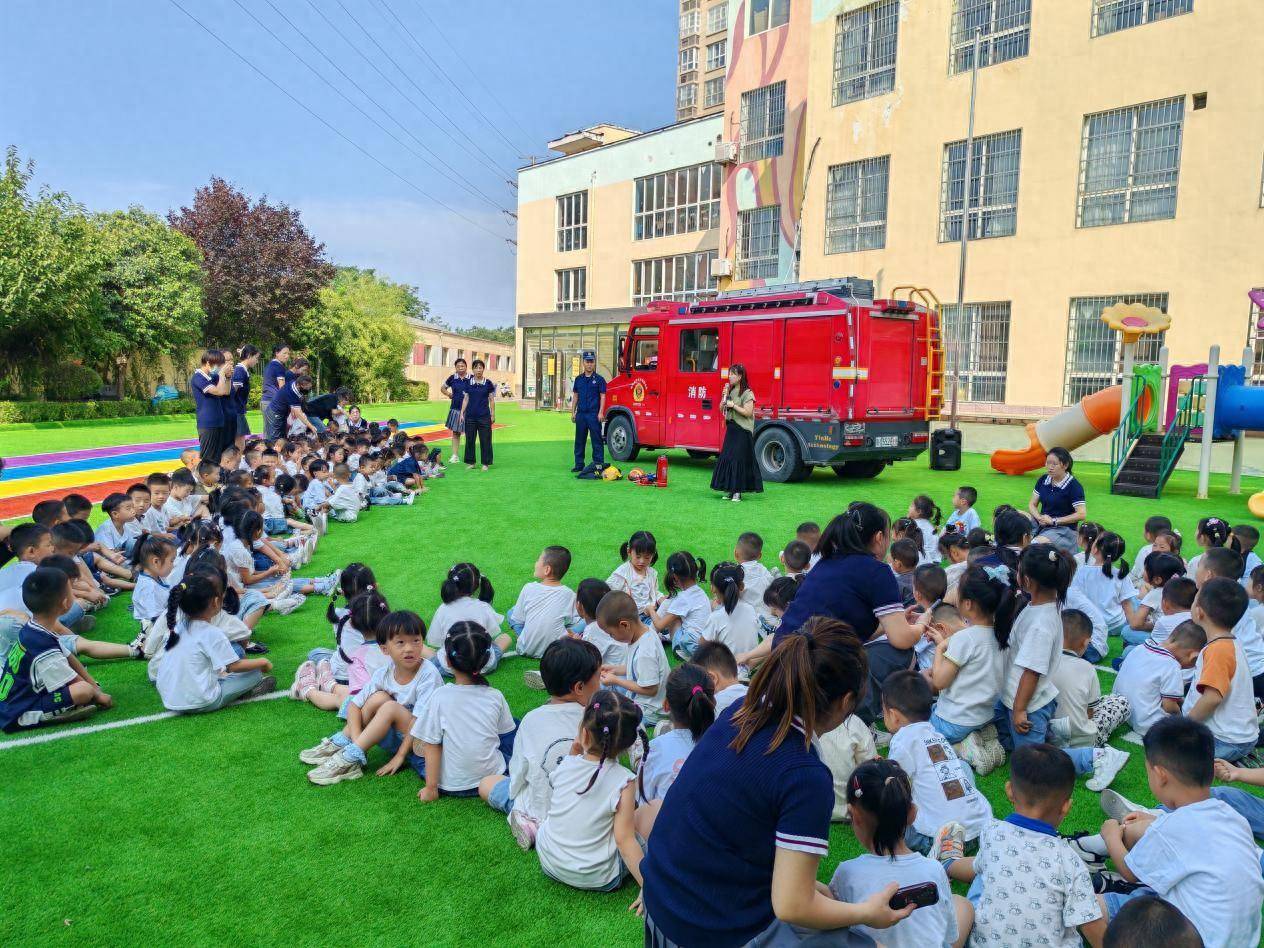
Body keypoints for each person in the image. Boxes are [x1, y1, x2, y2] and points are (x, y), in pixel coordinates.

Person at [641, 617, 915, 946]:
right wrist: (866, 912)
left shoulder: (739, 713)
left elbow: (740, 828)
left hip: (662, 909)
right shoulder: (804, 775)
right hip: (707, 929)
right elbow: (791, 905)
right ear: (846, 702)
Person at [743, 503, 925, 725]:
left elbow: (849, 630)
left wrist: (896, 622)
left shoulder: (825, 563)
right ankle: (854, 721)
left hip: (784, 671)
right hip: (817, 677)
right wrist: (922, 625)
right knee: (902, 654)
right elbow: (901, 639)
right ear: (879, 537)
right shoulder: (878, 572)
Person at [1095, 716, 1264, 948]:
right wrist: (1158, 821)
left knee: (1092, 907)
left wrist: (1110, 835)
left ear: (1161, 775)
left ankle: (1092, 852)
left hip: (1191, 939)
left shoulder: (1172, 829)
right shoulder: (1231, 815)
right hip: (1243, 940)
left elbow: (1130, 871)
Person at [940, 744, 1106, 947]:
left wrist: (949, 866)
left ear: (1009, 791)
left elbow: (978, 867)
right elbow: (1092, 928)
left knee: (986, 874)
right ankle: (949, 862)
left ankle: (947, 862)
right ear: (1066, 807)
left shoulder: (993, 832)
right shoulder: (1070, 861)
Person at [827, 758, 972, 948]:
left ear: (854, 815)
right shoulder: (933, 870)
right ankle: (947, 861)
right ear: (912, 813)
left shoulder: (846, 873)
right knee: (962, 904)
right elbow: (949, 936)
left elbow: (834, 919)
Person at [481, 637, 601, 850]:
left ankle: (528, 822)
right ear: (580, 687)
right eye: (598, 678)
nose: (600, 684)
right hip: (587, 814)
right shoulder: (600, 719)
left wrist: (516, 795)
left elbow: (517, 774)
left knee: (487, 783)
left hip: (540, 808)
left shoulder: (530, 719)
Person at [303, 610, 442, 786]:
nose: (409, 648)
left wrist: (399, 756)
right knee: (378, 697)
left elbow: (419, 721)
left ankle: (350, 756)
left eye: (416, 641)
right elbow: (354, 705)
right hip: (401, 732)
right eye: (400, 642)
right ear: (384, 649)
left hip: (424, 741)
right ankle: (349, 747)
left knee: (389, 707)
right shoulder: (384, 673)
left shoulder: (428, 674)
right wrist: (357, 738)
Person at [882, 671, 992, 879]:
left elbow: (895, 785)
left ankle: (946, 856)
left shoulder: (903, 740)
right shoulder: (936, 735)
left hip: (938, 834)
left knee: (894, 818)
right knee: (960, 767)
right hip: (979, 827)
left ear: (894, 716)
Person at [534, 689, 644, 892]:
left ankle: (531, 825)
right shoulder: (624, 780)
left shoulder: (567, 764)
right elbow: (624, 840)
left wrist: (574, 753)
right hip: (598, 877)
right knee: (647, 814)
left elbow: (564, 787)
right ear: (627, 744)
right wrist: (648, 887)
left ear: (584, 733)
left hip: (549, 862)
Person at [0, 567, 114, 732]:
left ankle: (66, 705)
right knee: (83, 691)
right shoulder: (41, 643)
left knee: (87, 687)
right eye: (71, 592)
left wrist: (95, 686)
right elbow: (72, 679)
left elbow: (69, 657)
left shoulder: (34, 628)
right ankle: (47, 716)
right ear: (66, 603)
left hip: (18, 699)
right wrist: (96, 694)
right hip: (18, 712)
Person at [414, 622, 518, 801]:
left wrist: (431, 788)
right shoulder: (495, 696)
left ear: (447, 660)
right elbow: (506, 736)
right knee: (513, 726)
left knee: (417, 753)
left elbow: (432, 744)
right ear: (486, 659)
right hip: (494, 776)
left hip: (451, 785)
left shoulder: (440, 696)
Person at [927, 564, 1014, 773]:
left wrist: (940, 648)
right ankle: (980, 737)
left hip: (953, 719)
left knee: (925, 741)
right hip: (983, 715)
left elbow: (939, 682)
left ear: (967, 603)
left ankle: (961, 749)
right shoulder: (1003, 636)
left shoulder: (964, 639)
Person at [155, 574, 275, 713]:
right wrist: (263, 662)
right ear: (216, 602)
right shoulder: (212, 632)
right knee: (255, 673)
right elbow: (234, 667)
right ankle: (243, 692)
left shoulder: (177, 627)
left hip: (169, 701)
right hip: (202, 701)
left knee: (219, 672)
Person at [635, 663, 716, 837]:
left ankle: (637, 754)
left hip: (667, 845)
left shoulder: (655, 750)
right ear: (712, 702)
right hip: (716, 842)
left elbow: (644, 802)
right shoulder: (729, 743)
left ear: (666, 705)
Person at [1182, 577, 1257, 762]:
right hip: (1235, 736)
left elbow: (1212, 698)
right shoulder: (1229, 641)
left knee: (1169, 745)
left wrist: (1184, 726)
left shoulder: (1218, 650)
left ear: (1199, 612)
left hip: (1226, 740)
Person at [1111, 619, 1204, 737]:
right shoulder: (1172, 665)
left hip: (1120, 711)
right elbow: (1169, 706)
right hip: (1147, 725)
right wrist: (1182, 718)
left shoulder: (1140, 648)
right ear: (1193, 657)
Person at [598, 591, 670, 724]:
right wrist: (614, 670)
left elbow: (651, 689)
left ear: (624, 625)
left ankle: (663, 726)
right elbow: (637, 669)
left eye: (611, 634)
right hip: (643, 701)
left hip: (650, 710)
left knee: (612, 720)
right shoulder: (645, 632)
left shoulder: (645, 651)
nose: (611, 638)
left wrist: (616, 680)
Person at [506, 545, 576, 659]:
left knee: (511, 613)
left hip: (525, 648)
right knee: (576, 622)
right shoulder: (569, 594)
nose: (536, 563)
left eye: (538, 560)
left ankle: (526, 638)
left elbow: (518, 618)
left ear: (547, 569)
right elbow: (569, 620)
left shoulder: (529, 588)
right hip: (554, 650)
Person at [709, 362, 761, 502]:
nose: (729, 376)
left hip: (742, 431)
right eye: (730, 374)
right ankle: (730, 490)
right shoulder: (731, 391)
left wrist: (734, 405)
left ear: (740, 376)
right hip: (731, 429)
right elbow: (722, 409)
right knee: (728, 458)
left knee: (739, 460)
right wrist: (724, 397)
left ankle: (737, 492)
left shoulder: (747, 393)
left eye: (732, 374)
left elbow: (748, 412)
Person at [646, 551, 710, 660]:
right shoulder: (700, 592)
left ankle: (647, 639)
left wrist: (650, 609)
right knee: (669, 604)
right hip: (704, 647)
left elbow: (660, 625)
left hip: (688, 649)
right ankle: (657, 637)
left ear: (674, 577)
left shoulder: (683, 598)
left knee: (668, 608)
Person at [1028, 447, 1086, 553]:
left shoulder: (1074, 486)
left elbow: (1081, 514)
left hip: (1063, 530)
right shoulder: (1043, 479)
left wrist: (1054, 521)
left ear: (1065, 465)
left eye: (1054, 464)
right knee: (1008, 515)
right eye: (1047, 463)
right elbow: (1032, 504)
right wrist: (1039, 517)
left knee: (1034, 544)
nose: (1050, 467)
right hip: (1042, 522)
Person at [698, 561, 760, 657]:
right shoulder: (750, 608)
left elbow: (701, 647)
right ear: (742, 586)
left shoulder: (715, 618)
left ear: (713, 588)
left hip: (727, 669)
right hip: (751, 664)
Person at [190, 348, 234, 465]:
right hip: (207, 423)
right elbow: (218, 391)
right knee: (208, 459)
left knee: (216, 457)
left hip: (218, 421)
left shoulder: (212, 377)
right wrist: (221, 374)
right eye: (218, 365)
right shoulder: (198, 378)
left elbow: (226, 391)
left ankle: (213, 481)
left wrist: (228, 377)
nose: (219, 367)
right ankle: (202, 481)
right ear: (208, 363)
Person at [606, 530, 660, 621]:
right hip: (631, 617)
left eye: (647, 557)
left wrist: (661, 599)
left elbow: (654, 592)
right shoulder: (622, 573)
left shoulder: (651, 573)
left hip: (650, 612)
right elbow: (607, 592)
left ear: (653, 555)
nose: (642, 561)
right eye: (638, 556)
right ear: (629, 551)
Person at [569, 350, 606, 473]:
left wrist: (601, 412)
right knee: (579, 440)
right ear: (583, 363)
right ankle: (579, 464)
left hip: (593, 414)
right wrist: (572, 412)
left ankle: (598, 464)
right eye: (587, 362)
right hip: (581, 414)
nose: (589, 364)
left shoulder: (600, 379)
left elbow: (603, 396)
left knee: (596, 440)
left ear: (594, 363)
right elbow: (575, 396)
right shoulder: (578, 379)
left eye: (592, 362)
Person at [460, 359, 496, 471]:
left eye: (480, 367)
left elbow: (491, 400)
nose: (478, 370)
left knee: (485, 440)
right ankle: (471, 462)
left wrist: (493, 414)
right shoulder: (468, 383)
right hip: (470, 416)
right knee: (470, 439)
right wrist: (462, 413)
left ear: (483, 369)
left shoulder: (488, 383)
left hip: (484, 416)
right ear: (473, 369)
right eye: (476, 367)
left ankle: (486, 463)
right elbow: (466, 399)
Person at [230, 344, 261, 450]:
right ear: (248, 355)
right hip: (236, 412)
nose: (257, 361)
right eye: (256, 358)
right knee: (239, 446)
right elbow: (231, 392)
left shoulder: (242, 370)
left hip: (238, 410)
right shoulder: (240, 371)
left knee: (239, 445)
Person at [440, 357, 470, 462]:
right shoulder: (452, 378)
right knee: (456, 433)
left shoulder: (472, 378)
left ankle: (469, 456)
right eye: (458, 366)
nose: (460, 368)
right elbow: (442, 388)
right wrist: (449, 394)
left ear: (466, 367)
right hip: (455, 409)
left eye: (462, 366)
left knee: (469, 433)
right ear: (455, 368)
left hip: (469, 410)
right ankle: (455, 455)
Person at [261, 345, 292, 442]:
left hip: (265, 401)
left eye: (288, 354)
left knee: (267, 433)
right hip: (273, 402)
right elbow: (282, 387)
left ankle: (267, 455)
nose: (287, 356)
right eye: (284, 353)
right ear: (277, 353)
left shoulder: (269, 365)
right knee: (275, 435)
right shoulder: (279, 366)